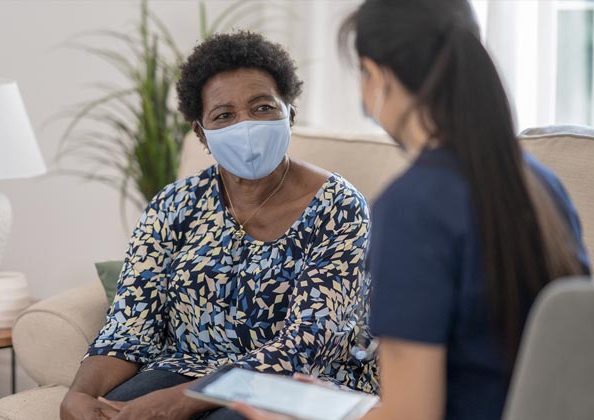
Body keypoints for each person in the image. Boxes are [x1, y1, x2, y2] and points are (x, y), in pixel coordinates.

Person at [232, 1, 591, 420]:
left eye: (361, 76)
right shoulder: (543, 184)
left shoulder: (412, 207)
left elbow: (412, 416)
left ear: (378, 77)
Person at [60, 31, 379, 420]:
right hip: (185, 368)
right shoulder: (173, 206)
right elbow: (130, 325)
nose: (245, 124)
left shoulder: (339, 206)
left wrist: (181, 400)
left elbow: (309, 345)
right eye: (224, 115)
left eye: (262, 107)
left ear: (290, 114)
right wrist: (79, 395)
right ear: (201, 134)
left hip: (300, 381)